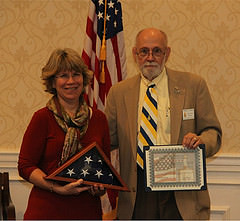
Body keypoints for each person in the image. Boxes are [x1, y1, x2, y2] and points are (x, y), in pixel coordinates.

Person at [104, 28, 222, 220]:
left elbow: (213, 133)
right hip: (138, 192)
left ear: (167, 53)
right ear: (135, 54)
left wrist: (200, 141)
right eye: (144, 51)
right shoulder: (119, 93)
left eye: (157, 51)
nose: (150, 57)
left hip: (180, 191)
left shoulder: (193, 85)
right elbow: (106, 140)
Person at [18, 48, 110, 220]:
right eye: (63, 76)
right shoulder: (42, 118)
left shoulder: (99, 118)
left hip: (86, 211)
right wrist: (57, 188)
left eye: (76, 74)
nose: (71, 81)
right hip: (47, 210)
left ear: (84, 79)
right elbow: (25, 166)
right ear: (53, 82)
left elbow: (104, 169)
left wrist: (100, 187)